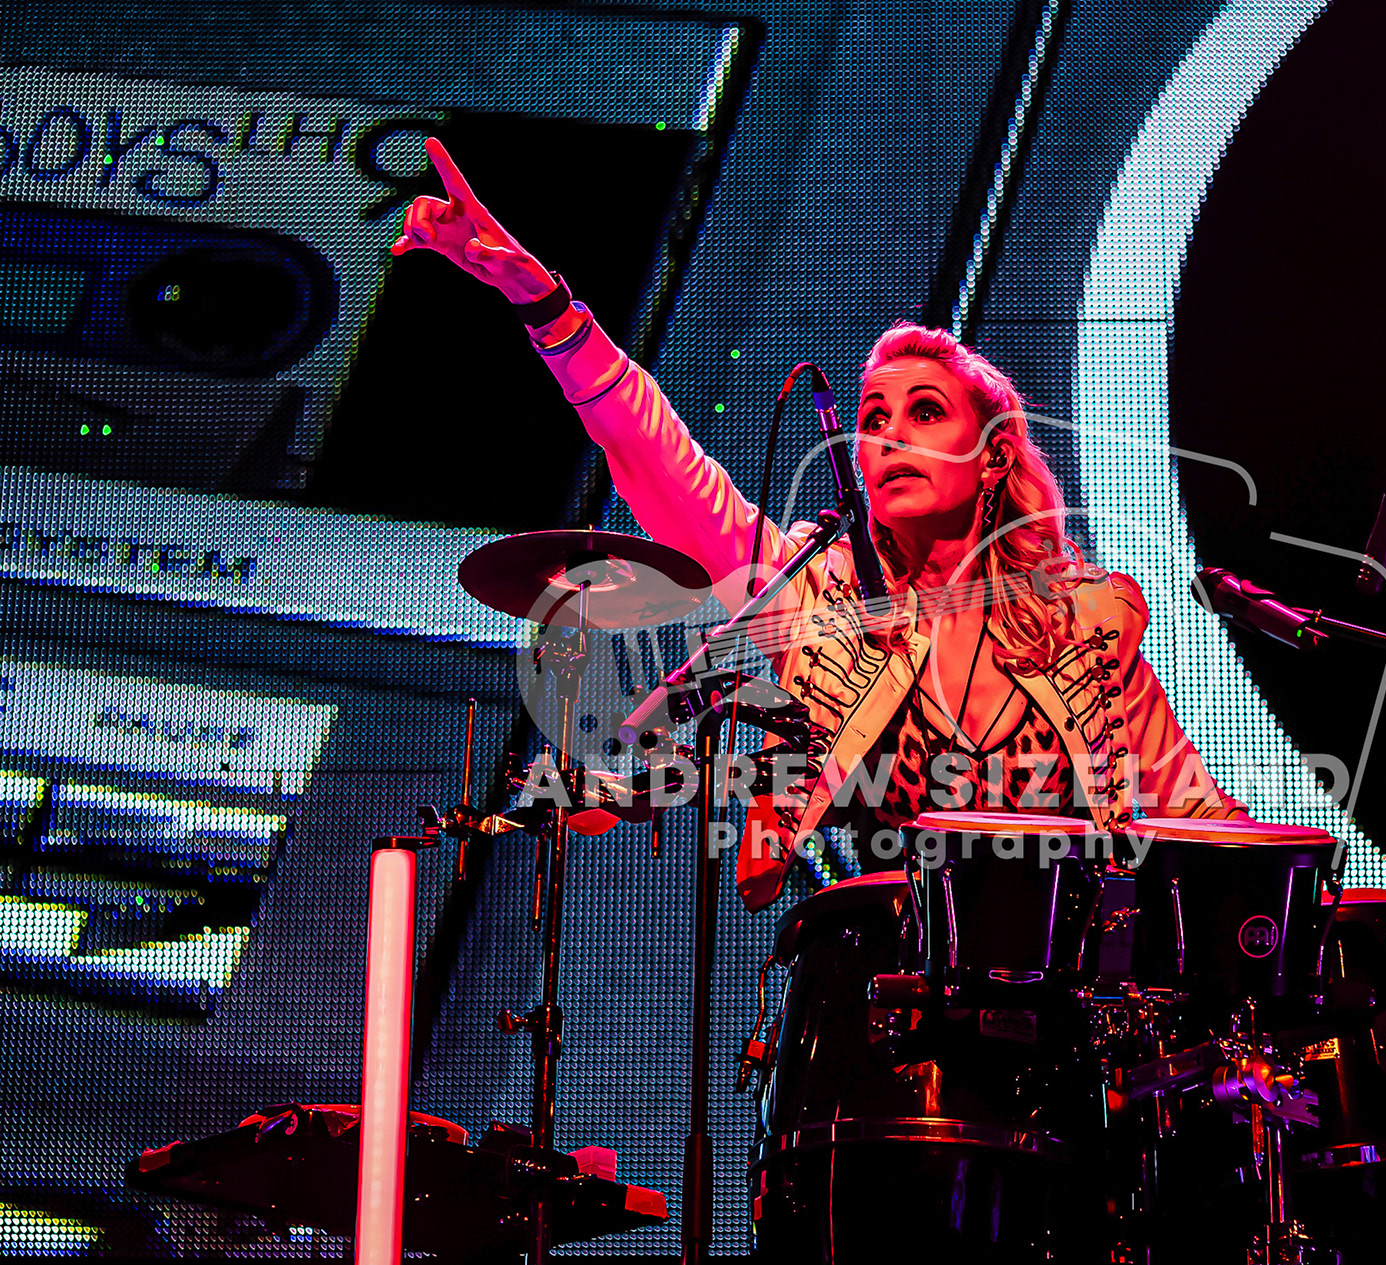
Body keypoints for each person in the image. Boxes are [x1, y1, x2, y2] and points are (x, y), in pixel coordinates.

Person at [394, 139, 1244, 909]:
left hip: (1074, 984)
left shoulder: (1084, 619)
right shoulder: (813, 593)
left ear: (992, 456)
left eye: (925, 412)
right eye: (873, 419)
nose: (890, 436)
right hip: (887, 981)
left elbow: (1199, 815)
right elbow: (660, 459)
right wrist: (547, 307)